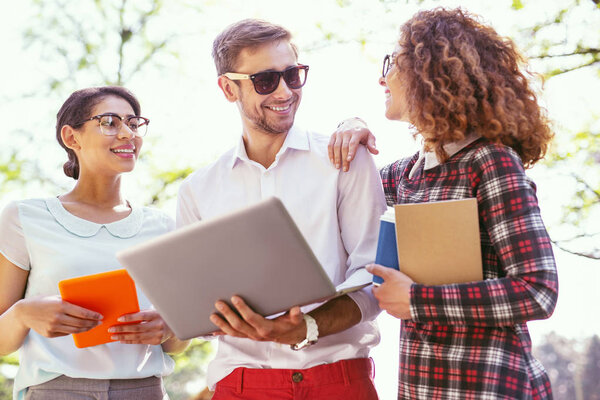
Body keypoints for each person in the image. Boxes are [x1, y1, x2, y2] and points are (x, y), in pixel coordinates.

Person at [328, 8, 559, 400]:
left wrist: (417, 300)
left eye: (392, 63)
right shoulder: (404, 176)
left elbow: (538, 290)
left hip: (491, 388)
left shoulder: (491, 162)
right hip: (423, 389)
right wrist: (348, 126)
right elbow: (333, 201)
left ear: (427, 71)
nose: (382, 78)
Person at [176, 19, 387, 400]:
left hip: (339, 381)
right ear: (228, 88)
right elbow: (197, 305)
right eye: (265, 81)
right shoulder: (198, 189)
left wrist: (306, 326)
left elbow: (375, 277)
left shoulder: (344, 161)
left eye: (293, 74)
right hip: (240, 384)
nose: (285, 91)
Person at [0, 86, 189, 400]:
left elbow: (179, 344)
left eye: (133, 123)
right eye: (109, 122)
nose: (127, 133)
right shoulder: (25, 218)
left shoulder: (162, 226)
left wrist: (169, 329)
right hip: (57, 391)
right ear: (72, 138)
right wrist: (23, 314)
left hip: (144, 391)